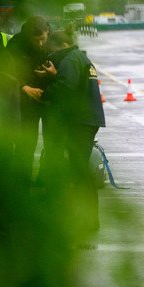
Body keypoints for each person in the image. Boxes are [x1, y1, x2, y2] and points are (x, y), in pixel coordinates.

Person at [36, 28, 106, 235]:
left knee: (79, 171)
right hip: (89, 119)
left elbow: (66, 86)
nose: (52, 53)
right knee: (79, 169)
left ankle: (88, 219)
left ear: (62, 45)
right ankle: (87, 218)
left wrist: (44, 95)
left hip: (80, 121)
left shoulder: (69, 59)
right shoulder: (81, 58)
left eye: (53, 49)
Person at [6, 16, 50, 193]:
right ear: (28, 36)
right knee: (27, 143)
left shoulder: (53, 40)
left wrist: (53, 77)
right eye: (35, 40)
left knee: (53, 141)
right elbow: (5, 71)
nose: (40, 44)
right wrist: (23, 87)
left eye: (43, 40)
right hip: (25, 99)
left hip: (48, 98)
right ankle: (23, 182)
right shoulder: (16, 45)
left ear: (47, 32)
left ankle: (45, 177)